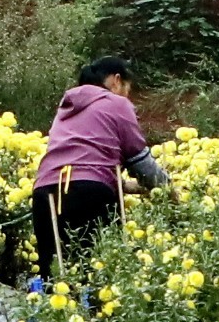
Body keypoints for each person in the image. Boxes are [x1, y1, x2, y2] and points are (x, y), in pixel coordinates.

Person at [30, 57, 167, 289]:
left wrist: (121, 185)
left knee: (55, 279)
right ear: (116, 80)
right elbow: (139, 160)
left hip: (46, 193)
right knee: (99, 274)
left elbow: (80, 161)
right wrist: (168, 188)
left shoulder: (65, 108)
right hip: (89, 194)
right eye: (127, 89)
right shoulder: (116, 103)